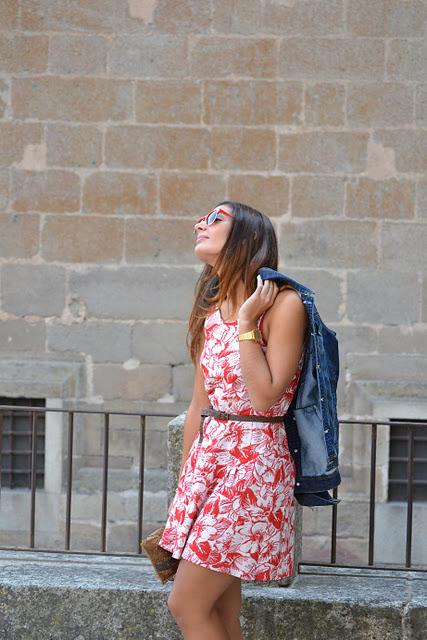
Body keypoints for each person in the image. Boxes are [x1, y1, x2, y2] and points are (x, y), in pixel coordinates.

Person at [159, 200, 308, 640]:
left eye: (215, 219)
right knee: (221, 609)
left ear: (247, 235)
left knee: (185, 603)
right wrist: (187, 485)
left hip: (255, 466)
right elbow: (198, 406)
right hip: (211, 464)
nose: (198, 224)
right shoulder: (214, 309)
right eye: (202, 217)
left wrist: (246, 322)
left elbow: (265, 396)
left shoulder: (284, 305)